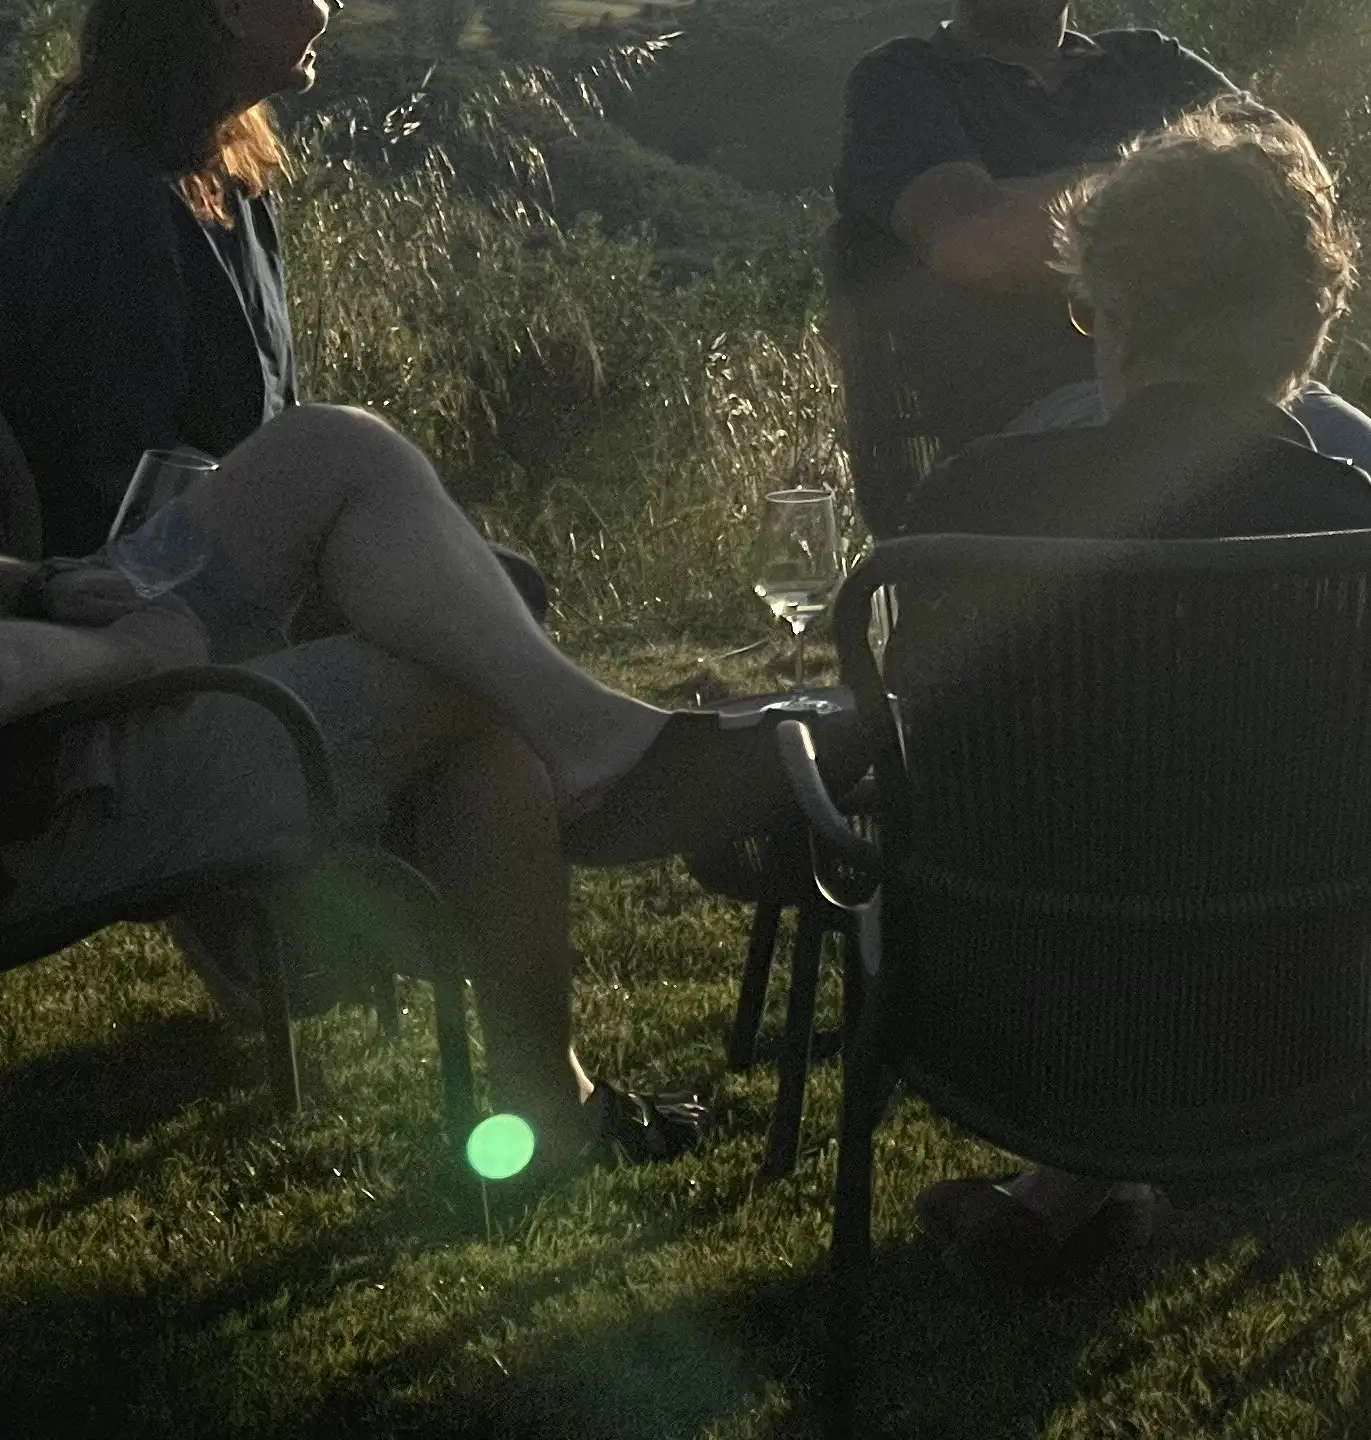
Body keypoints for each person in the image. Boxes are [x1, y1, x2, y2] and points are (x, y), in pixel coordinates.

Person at [902, 105, 1371, 1289]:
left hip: (1006, 1032)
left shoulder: (965, 515)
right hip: (1312, 1036)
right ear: (1312, 321)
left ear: (1117, 312)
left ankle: (1065, 1186)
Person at [2, 403, 838, 1168]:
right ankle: (549, 1093)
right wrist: (118, 654)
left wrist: (38, 587)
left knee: (334, 448)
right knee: (466, 671)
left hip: (50, 655)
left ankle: (598, 745)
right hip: (52, 768)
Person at [826, 0, 1236, 518]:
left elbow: (1288, 184)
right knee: (1299, 533)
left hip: (1237, 392)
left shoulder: (1151, 63)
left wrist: (1040, 204)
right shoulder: (903, 84)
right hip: (1042, 424)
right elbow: (980, 242)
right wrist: (1185, 186)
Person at [0, 0, 343, 556]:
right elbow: (108, 475)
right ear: (234, 8)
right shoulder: (106, 201)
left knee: (502, 581)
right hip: (149, 581)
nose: (331, 9)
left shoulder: (230, 178)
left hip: (233, 554)